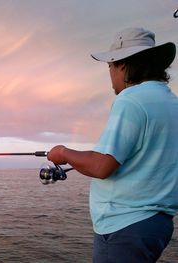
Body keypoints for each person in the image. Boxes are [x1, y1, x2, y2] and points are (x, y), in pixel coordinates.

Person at [47, 27, 178, 262]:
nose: (109, 72)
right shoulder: (172, 103)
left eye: (110, 65)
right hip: (158, 225)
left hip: (125, 226)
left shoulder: (131, 100)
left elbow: (101, 166)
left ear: (124, 65)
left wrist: (63, 152)